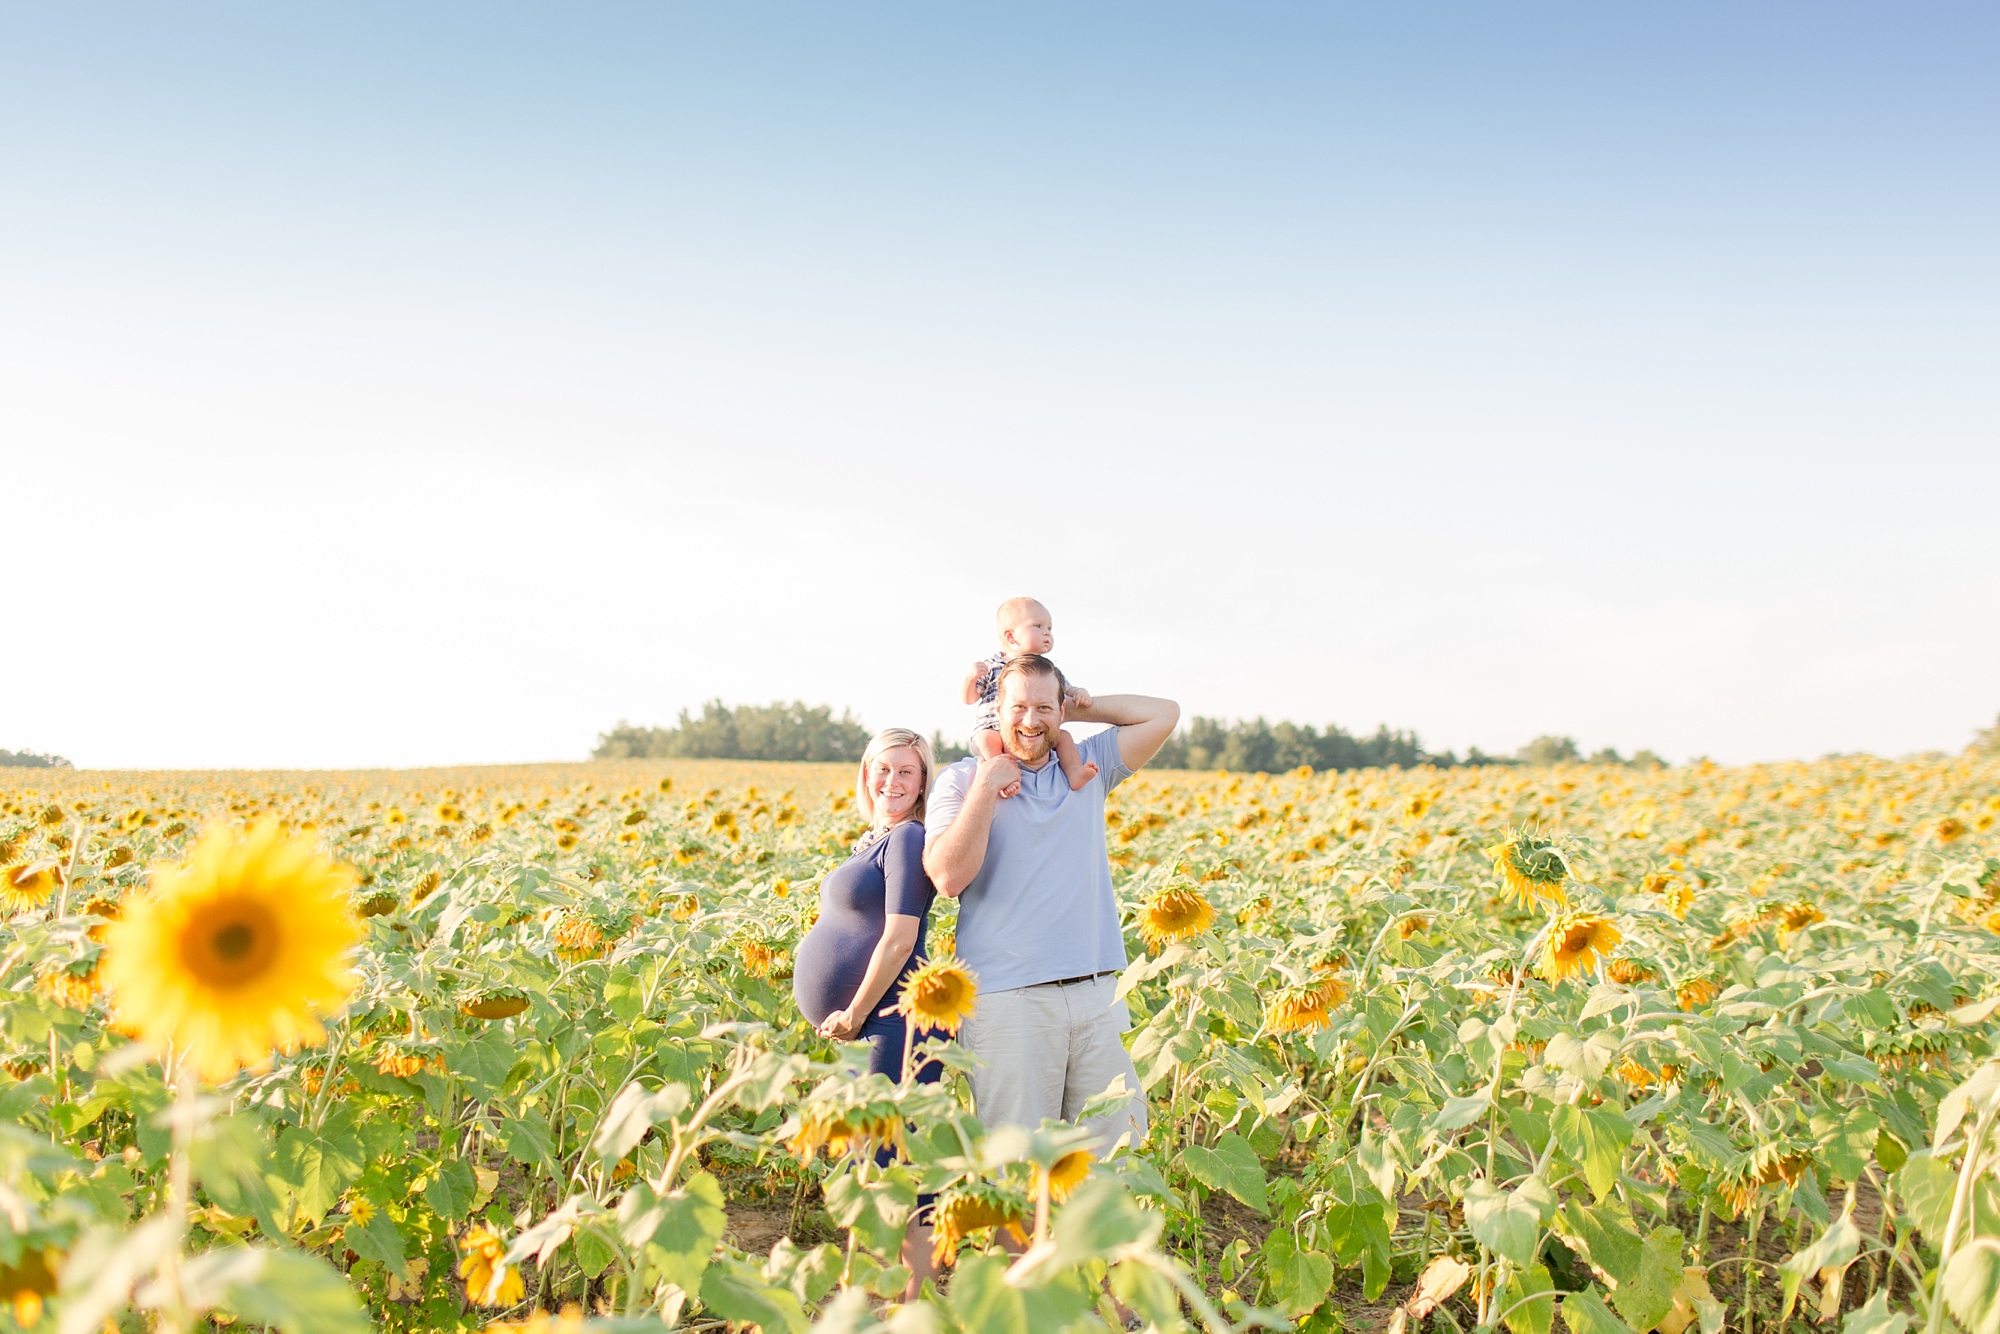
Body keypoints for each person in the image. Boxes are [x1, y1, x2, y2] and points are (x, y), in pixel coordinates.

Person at [924, 655, 1179, 1150]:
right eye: (1018, 707)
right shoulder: (960, 780)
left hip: (1097, 995)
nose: (1031, 721)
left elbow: (1163, 713)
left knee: (1116, 1165)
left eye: (1044, 708)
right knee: (1014, 1173)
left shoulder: (1086, 767)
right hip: (1008, 1002)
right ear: (996, 709)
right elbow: (947, 877)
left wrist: (1075, 707)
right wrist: (987, 785)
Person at [790, 727, 941, 1294]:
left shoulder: (907, 839)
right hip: (876, 1020)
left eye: (907, 771)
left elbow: (901, 938)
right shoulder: (874, 839)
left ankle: (908, 1302)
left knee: (893, 1157)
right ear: (866, 772)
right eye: (884, 768)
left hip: (895, 1016)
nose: (893, 780)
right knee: (878, 1152)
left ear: (923, 780)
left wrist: (854, 1010)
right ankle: (897, 1299)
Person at [961, 596, 1097, 794]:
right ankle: (998, 774)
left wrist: (1079, 692)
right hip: (992, 728)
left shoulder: (1046, 671)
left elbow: (1067, 689)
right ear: (1010, 637)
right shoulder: (991, 667)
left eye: (1049, 628)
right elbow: (969, 699)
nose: (1046, 633)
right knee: (986, 741)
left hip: (1033, 734)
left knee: (1064, 737)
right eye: (1038, 626)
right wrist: (970, 678)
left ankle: (1074, 772)